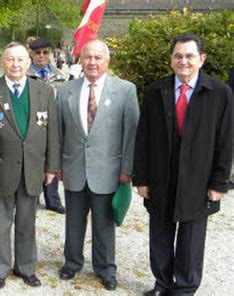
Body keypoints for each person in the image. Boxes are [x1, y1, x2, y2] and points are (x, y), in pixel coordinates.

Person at [133, 33, 232, 296]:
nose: (184, 61)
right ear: (171, 60)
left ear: (202, 59)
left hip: (199, 179)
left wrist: (219, 182)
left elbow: (226, 141)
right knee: (160, 235)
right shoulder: (156, 91)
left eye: (189, 55)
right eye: (178, 56)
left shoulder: (220, 93)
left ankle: (185, 288)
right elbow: (143, 137)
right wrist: (141, 178)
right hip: (161, 177)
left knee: (191, 238)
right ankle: (162, 283)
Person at [0, 42, 59, 289]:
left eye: (20, 59)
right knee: (0, 223)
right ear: (3, 62)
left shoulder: (44, 91)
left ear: (28, 61)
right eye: (11, 59)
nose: (16, 64)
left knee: (27, 222)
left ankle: (25, 268)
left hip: (33, 169)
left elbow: (52, 133)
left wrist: (51, 167)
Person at [57, 39, 139, 291]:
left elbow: (131, 132)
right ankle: (72, 262)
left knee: (104, 223)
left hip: (108, 171)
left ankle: (105, 268)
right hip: (73, 168)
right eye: (87, 57)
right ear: (81, 60)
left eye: (98, 57)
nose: (92, 62)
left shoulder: (125, 90)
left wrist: (127, 168)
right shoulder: (65, 90)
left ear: (107, 61)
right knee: (73, 220)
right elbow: (58, 132)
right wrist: (57, 163)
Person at [26, 38, 67, 214]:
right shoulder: (25, 75)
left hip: (53, 122)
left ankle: (52, 199)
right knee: (33, 160)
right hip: (31, 124)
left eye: (45, 52)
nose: (41, 56)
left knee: (52, 158)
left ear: (50, 53)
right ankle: (32, 196)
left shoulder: (60, 75)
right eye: (37, 53)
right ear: (31, 54)